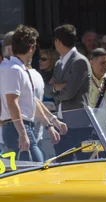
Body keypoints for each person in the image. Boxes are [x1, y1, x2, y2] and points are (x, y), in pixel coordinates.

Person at [0, 25, 60, 161]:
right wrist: (22, 133)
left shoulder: (18, 69)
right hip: (17, 129)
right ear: (32, 48)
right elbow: (12, 103)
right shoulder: (13, 69)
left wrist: (50, 123)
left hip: (20, 128)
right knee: (36, 168)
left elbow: (32, 101)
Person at [44, 24, 91, 159]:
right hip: (61, 121)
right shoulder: (59, 64)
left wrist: (56, 92)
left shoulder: (79, 61)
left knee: (83, 164)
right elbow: (47, 91)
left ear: (58, 41)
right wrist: (56, 88)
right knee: (62, 163)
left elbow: (69, 92)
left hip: (79, 123)